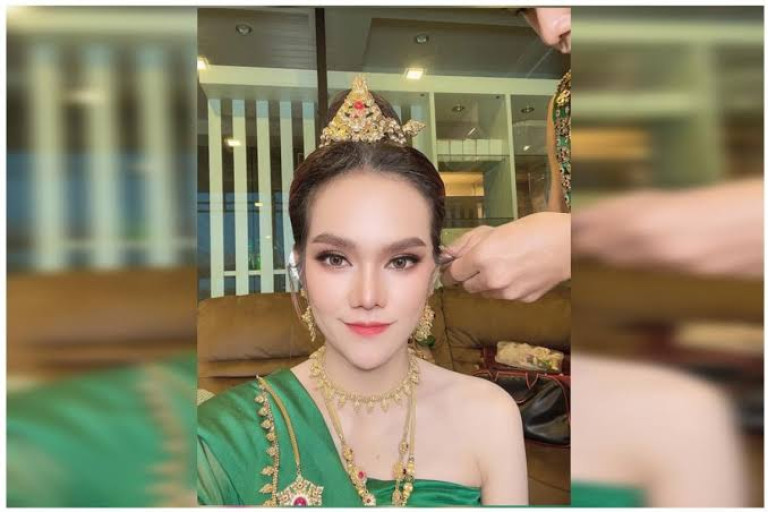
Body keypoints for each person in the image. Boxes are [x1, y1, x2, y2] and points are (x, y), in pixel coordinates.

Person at [197, 76, 528, 506]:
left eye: (401, 260)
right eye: (335, 258)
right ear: (299, 266)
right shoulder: (220, 439)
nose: (368, 296)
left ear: (434, 270)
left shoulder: (490, 416)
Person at [442, 7, 572, 303]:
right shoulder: (562, 103)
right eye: (523, 9)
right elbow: (558, 220)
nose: (549, 31)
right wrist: (505, 243)